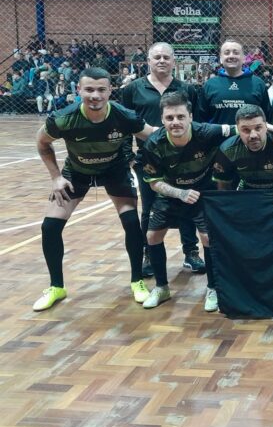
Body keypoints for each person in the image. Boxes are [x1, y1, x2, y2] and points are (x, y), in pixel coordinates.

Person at [33, 67, 156, 311]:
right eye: (89, 89)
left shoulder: (123, 116)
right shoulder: (63, 118)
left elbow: (153, 135)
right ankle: (56, 286)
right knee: (50, 226)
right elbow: (42, 142)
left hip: (115, 171)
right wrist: (56, 177)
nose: (95, 95)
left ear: (111, 91)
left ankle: (137, 281)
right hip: (76, 174)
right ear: (79, 90)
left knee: (131, 223)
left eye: (101, 90)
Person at [140, 92, 235, 311]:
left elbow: (242, 128)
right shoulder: (154, 143)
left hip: (202, 193)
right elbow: (154, 182)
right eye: (170, 118)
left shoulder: (206, 131)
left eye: (181, 116)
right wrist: (180, 193)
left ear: (190, 116)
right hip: (171, 194)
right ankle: (162, 288)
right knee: (152, 236)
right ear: (162, 120)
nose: (176, 122)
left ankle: (213, 288)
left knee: (208, 237)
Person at [119, 42, 204, 276]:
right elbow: (125, 124)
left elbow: (196, 124)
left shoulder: (187, 89)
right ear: (148, 60)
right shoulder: (133, 89)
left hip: (184, 160)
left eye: (167, 57)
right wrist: (128, 157)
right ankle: (149, 253)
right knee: (148, 209)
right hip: (148, 160)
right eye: (157, 57)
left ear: (174, 61)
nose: (162, 61)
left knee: (188, 205)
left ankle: (191, 253)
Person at [214, 104, 273, 190]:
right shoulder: (227, 151)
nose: (253, 135)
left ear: (266, 127)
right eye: (246, 130)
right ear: (238, 130)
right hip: (246, 191)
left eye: (258, 128)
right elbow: (223, 188)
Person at [197, 39, 273, 126]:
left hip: (251, 138)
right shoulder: (210, 85)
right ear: (221, 59)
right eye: (227, 53)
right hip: (219, 139)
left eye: (236, 52)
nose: (231, 56)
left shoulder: (258, 84)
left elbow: (268, 119)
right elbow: (201, 122)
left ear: (244, 58)